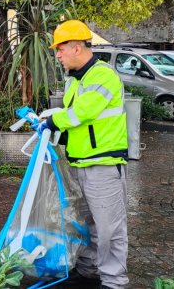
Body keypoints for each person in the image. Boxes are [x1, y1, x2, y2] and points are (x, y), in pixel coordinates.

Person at [37, 20, 129, 289]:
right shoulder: (76, 80)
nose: (58, 55)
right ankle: (89, 270)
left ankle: (114, 282)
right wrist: (51, 125)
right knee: (88, 224)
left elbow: (82, 113)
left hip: (103, 164)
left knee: (109, 227)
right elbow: (77, 121)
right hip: (82, 163)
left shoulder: (103, 75)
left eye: (60, 49)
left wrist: (54, 122)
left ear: (77, 47)